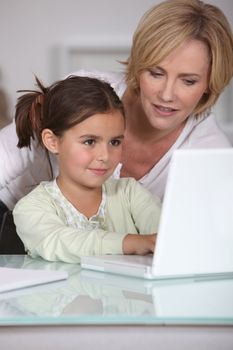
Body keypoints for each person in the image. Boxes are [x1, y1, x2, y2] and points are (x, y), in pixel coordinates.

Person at [0, 0, 233, 227]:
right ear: (139, 65)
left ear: (210, 84)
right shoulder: (87, 92)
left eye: (188, 81)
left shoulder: (210, 152)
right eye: (156, 73)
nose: (167, 94)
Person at [13, 75, 161, 263]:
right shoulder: (31, 208)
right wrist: (129, 242)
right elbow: (59, 242)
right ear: (52, 141)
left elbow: (167, 237)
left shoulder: (131, 193)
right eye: (89, 141)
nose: (105, 156)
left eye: (115, 142)